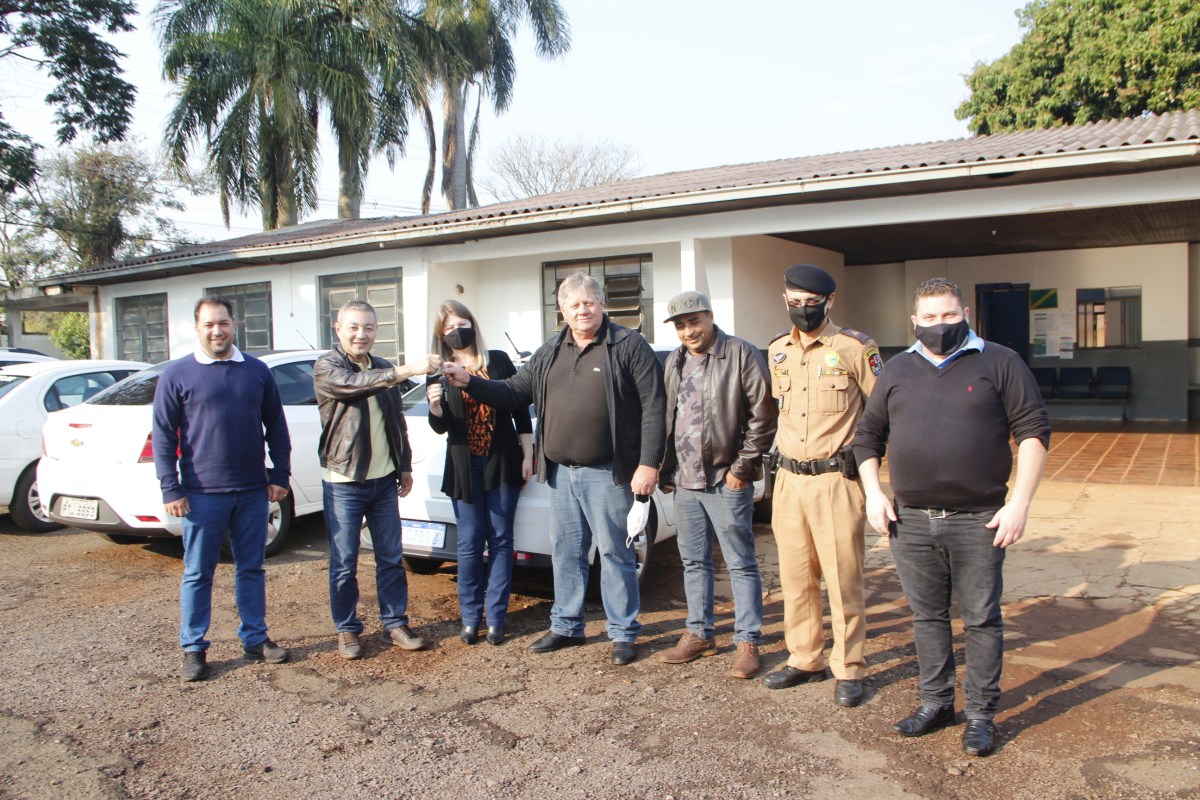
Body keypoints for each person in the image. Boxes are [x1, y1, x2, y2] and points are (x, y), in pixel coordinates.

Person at [854, 277, 1050, 757]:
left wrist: (1019, 503)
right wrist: (874, 495)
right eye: (930, 318)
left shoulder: (1001, 362)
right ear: (914, 322)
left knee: (982, 619)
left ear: (965, 314)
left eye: (949, 316)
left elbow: (1033, 433)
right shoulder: (897, 369)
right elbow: (867, 437)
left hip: (979, 519)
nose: (940, 325)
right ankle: (936, 703)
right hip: (910, 520)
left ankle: (981, 714)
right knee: (926, 617)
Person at [444, 272, 665, 666]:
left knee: (615, 552)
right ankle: (567, 625)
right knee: (567, 552)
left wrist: (648, 463)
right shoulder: (550, 350)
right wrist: (470, 383)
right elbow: (513, 392)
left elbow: (653, 406)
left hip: (608, 474)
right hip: (561, 473)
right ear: (562, 310)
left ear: (603, 304)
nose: (583, 310)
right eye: (574, 304)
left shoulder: (629, 345)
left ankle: (622, 633)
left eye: (589, 302)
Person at [153, 295, 292, 682]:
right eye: (209, 324)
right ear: (197, 328)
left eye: (223, 323)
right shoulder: (177, 375)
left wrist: (280, 474)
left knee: (252, 568)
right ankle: (194, 648)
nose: (217, 331)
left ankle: (255, 638)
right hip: (200, 493)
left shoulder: (257, 371)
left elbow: (276, 428)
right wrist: (171, 488)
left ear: (234, 325)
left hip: (251, 490)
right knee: (198, 572)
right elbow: (163, 437)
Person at [762, 264, 881, 708]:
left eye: (812, 303)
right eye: (795, 302)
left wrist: (872, 467)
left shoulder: (855, 348)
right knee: (795, 578)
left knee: (842, 577)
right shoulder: (777, 352)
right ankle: (804, 656)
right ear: (785, 300)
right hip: (790, 480)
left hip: (836, 480)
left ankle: (848, 665)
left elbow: (883, 409)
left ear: (829, 301)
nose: (803, 310)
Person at [656, 290, 778, 679]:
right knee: (693, 561)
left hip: (726, 479)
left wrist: (741, 469)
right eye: (680, 325)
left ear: (709, 316)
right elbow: (668, 418)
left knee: (740, 563)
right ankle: (699, 633)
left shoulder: (740, 353)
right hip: (686, 482)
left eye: (694, 321)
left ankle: (747, 641)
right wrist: (665, 469)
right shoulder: (674, 361)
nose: (688, 331)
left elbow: (764, 414)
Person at [313, 300, 441, 660]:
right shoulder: (328, 366)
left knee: (390, 556)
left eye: (368, 327)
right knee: (344, 560)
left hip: (383, 480)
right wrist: (408, 369)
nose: (361, 334)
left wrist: (403, 465)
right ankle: (347, 629)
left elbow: (395, 421)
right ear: (338, 329)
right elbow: (354, 386)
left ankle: (394, 623)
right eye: (353, 327)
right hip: (343, 479)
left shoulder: (383, 366)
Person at [426, 300, 534, 646]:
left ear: (472, 324)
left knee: (502, 540)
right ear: (442, 336)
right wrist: (435, 404)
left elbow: (518, 407)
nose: (457, 330)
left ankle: (497, 619)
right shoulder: (440, 370)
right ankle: (471, 618)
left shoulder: (498, 360)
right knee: (470, 542)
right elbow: (440, 427)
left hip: (502, 458)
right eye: (449, 327)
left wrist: (528, 453)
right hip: (463, 464)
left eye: (462, 322)